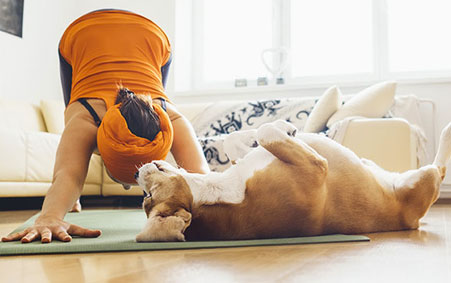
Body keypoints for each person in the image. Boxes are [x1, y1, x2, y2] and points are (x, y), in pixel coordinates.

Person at [1, 9, 210, 244]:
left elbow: (202, 180)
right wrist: (49, 217)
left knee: (74, 135)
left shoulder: (169, 119)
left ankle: (68, 199)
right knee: (72, 116)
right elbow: (68, 174)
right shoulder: (86, 117)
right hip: (82, 34)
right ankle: (68, 199)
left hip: (152, 37)